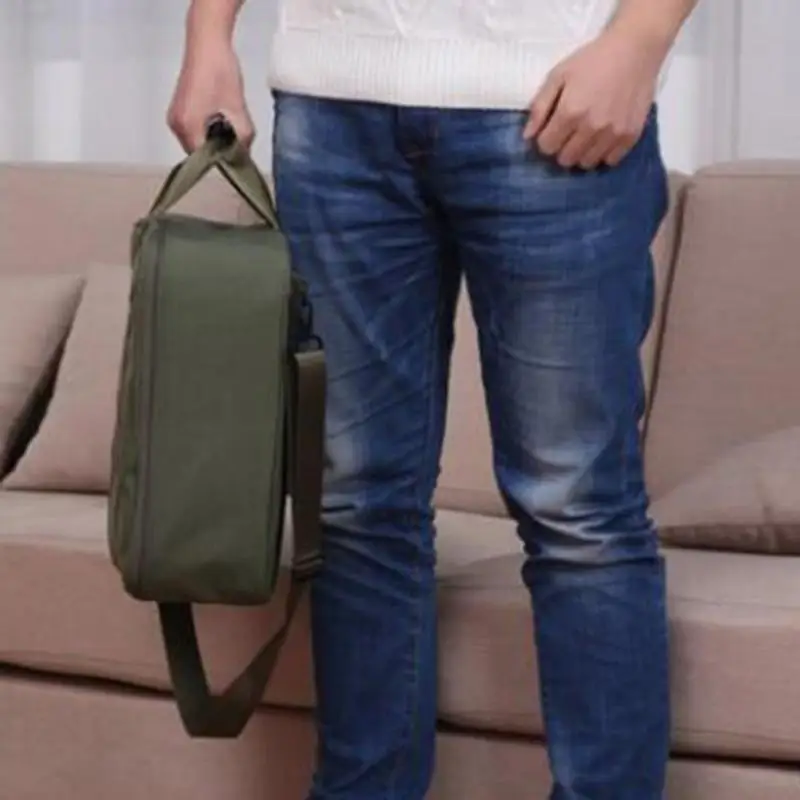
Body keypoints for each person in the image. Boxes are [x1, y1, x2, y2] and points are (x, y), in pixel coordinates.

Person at [168, 1, 697, 797]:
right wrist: (208, 33)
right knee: (354, 504)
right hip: (331, 99)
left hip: (553, 94)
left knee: (578, 511)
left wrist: (639, 39)